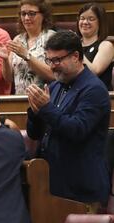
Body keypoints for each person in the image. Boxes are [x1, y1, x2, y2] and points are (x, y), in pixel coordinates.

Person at [26, 30, 110, 207]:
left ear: (76, 57)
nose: (52, 66)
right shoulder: (55, 86)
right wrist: (35, 112)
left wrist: (46, 109)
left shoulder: (94, 90)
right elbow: (35, 134)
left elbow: (77, 130)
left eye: (57, 60)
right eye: (49, 60)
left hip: (81, 189)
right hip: (52, 184)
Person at [0, 0, 55, 94]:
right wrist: (5, 59)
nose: (27, 18)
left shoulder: (52, 38)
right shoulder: (18, 39)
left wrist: (27, 56)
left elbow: (54, 74)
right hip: (20, 100)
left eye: (32, 14)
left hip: (44, 100)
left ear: (43, 15)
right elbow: (8, 78)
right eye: (23, 14)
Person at [77, 2, 114, 91]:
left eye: (91, 19)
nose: (85, 22)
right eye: (82, 18)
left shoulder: (106, 46)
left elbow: (95, 71)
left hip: (96, 94)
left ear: (100, 22)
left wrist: (75, 47)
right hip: (74, 93)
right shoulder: (73, 44)